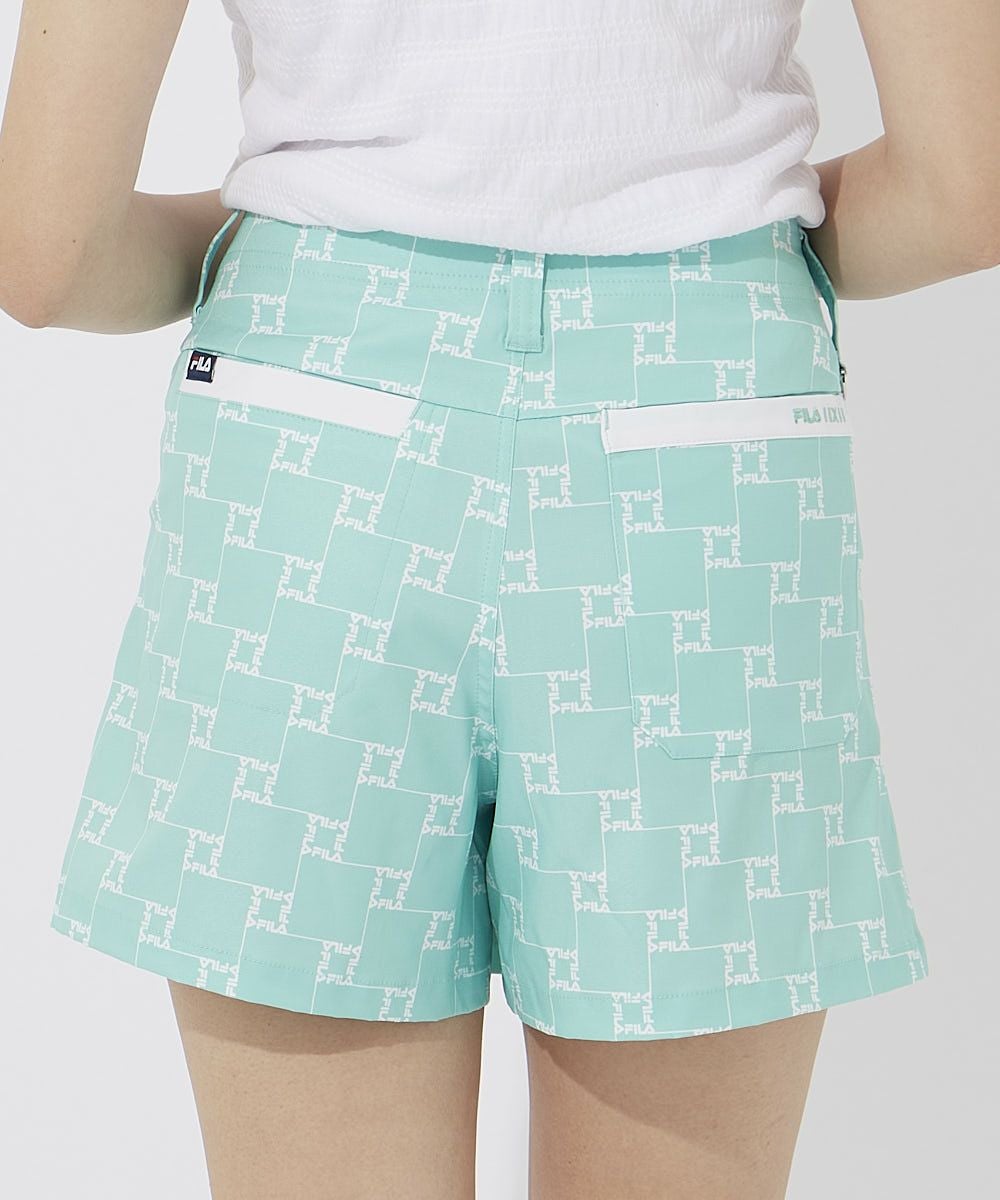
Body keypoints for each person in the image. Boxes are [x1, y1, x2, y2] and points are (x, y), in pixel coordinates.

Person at [2, 2, 993, 1197]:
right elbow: (963, 192)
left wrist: (322, 232)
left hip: (313, 434)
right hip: (701, 436)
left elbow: (46, 254)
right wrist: (709, 232)